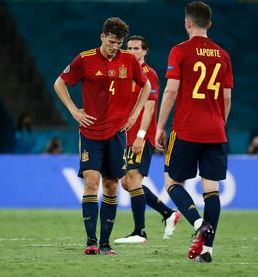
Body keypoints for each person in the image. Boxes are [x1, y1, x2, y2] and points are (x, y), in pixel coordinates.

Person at [53, 17, 151, 255]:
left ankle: (106, 244)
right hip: (90, 131)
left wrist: (133, 114)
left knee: (111, 185)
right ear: (102, 37)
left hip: (117, 133)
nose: (114, 47)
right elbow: (59, 83)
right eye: (111, 41)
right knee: (91, 181)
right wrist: (74, 111)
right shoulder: (84, 59)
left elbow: (145, 86)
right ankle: (91, 242)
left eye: (118, 42)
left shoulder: (128, 60)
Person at [156, 1, 233, 263]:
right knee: (211, 191)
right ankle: (207, 250)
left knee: (172, 183)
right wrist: (218, 123)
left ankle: (198, 222)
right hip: (215, 131)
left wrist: (159, 126)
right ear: (209, 24)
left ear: (187, 23)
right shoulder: (223, 55)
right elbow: (227, 98)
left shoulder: (180, 51)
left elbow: (170, 91)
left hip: (187, 130)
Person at [114, 35, 181, 244]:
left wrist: (142, 136)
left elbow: (150, 107)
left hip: (141, 137)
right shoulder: (123, 73)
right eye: (129, 48)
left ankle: (139, 232)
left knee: (133, 179)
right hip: (125, 136)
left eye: (136, 48)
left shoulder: (148, 74)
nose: (132, 51)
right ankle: (168, 213)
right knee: (126, 183)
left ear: (145, 51)